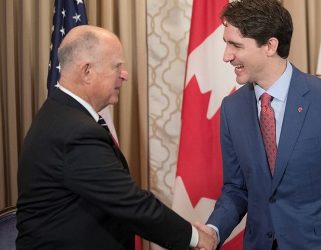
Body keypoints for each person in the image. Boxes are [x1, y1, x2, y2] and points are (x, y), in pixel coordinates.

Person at [198, 0, 321, 249]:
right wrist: (213, 231)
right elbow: (236, 188)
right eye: (226, 44)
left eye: (235, 45)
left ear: (270, 45)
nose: (226, 56)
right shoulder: (232, 108)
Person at [16, 25, 216, 250]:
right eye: (116, 66)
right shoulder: (75, 132)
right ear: (87, 72)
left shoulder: (61, 112)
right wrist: (196, 238)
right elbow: (130, 203)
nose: (125, 74)